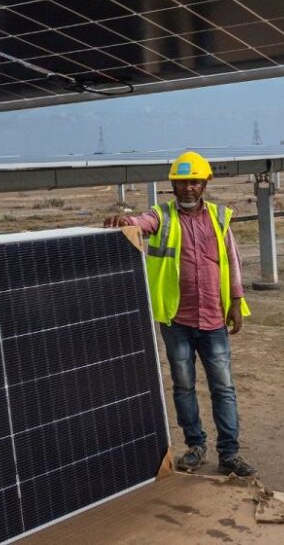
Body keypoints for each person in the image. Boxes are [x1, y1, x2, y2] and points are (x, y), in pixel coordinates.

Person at [104, 151, 256, 477]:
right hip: (176, 320)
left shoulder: (218, 217)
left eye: (194, 181)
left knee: (224, 388)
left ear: (204, 184)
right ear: (172, 184)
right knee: (183, 386)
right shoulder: (163, 216)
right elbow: (143, 223)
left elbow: (232, 260)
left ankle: (229, 454)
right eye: (182, 182)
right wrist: (127, 222)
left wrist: (236, 301)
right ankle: (195, 447)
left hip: (214, 318)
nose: (188, 188)